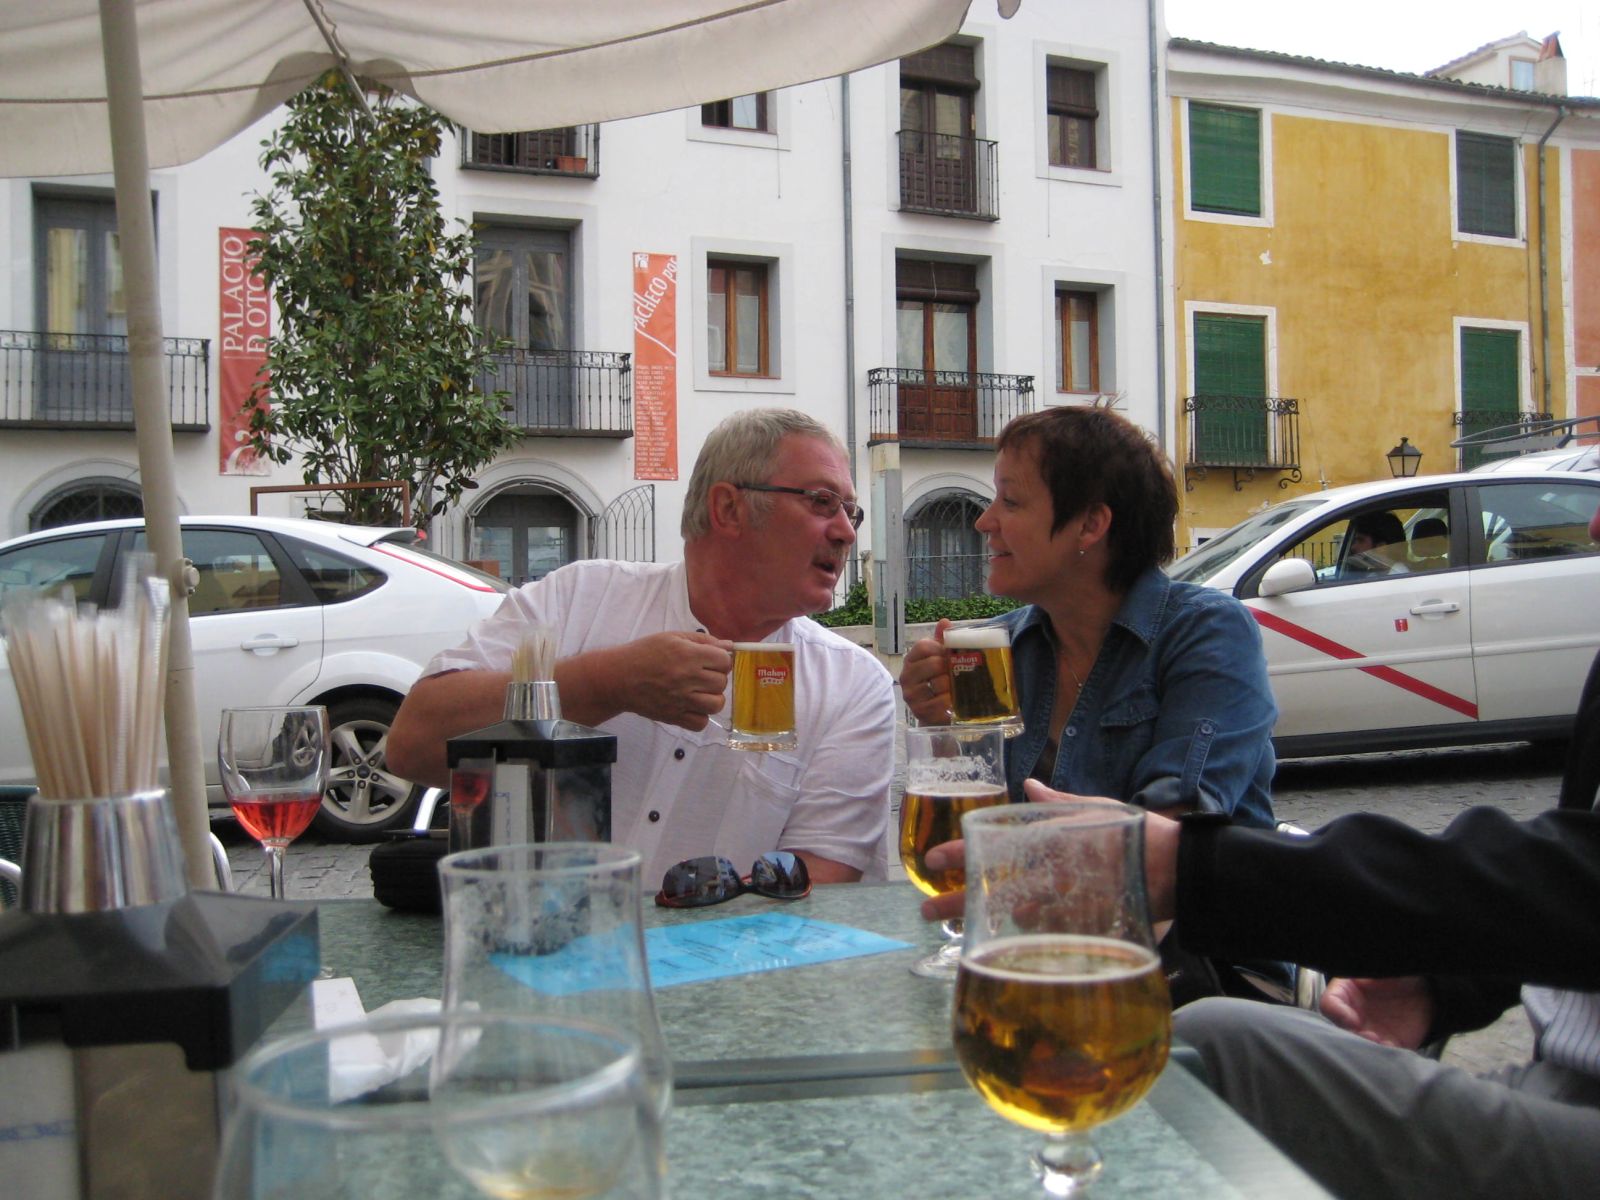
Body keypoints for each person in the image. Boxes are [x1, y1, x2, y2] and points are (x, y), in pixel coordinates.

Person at [387, 408, 896, 885]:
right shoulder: (580, 598)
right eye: (822, 502)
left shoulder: (851, 685)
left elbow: (821, 886)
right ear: (728, 508)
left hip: (726, 952)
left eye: (850, 511)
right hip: (544, 941)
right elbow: (412, 746)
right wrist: (608, 683)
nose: (846, 532)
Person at [898, 406, 1277, 829]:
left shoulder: (1205, 631)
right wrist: (941, 730)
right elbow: (951, 841)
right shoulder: (999, 650)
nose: (984, 521)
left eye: (1011, 501)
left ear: (1090, 524)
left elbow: (1178, 821)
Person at [1342, 510, 1409, 577]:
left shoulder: (1401, 578)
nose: (1353, 547)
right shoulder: (1375, 576)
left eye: (1361, 540)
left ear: (1381, 547)